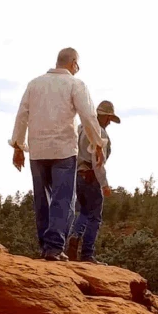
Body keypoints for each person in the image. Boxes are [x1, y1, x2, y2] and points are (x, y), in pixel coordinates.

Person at [10, 47, 107, 261]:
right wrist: (97, 144)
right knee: (63, 199)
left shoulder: (34, 84)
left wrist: (18, 146)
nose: (77, 68)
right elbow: (88, 116)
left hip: (37, 150)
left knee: (42, 200)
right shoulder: (75, 84)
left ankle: (45, 247)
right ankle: (54, 247)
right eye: (78, 65)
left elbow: (22, 115)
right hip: (63, 150)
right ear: (73, 63)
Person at [66, 100, 119, 263]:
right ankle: (87, 254)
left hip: (77, 175)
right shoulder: (99, 132)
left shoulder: (81, 127)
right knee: (94, 216)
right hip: (91, 176)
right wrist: (104, 184)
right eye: (109, 118)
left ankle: (74, 238)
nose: (109, 122)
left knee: (83, 211)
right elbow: (98, 161)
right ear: (103, 117)